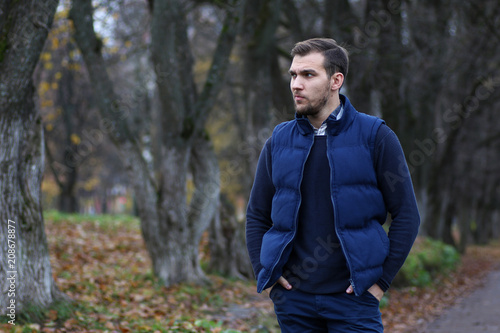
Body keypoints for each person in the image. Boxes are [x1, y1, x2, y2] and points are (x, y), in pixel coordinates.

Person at [245, 37, 420, 332]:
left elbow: (406, 214)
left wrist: (380, 282)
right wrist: (266, 273)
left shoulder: (375, 136)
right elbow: (257, 214)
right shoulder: (279, 140)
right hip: (294, 301)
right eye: (293, 75)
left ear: (336, 80)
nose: (296, 84)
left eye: (308, 75)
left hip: (354, 301)